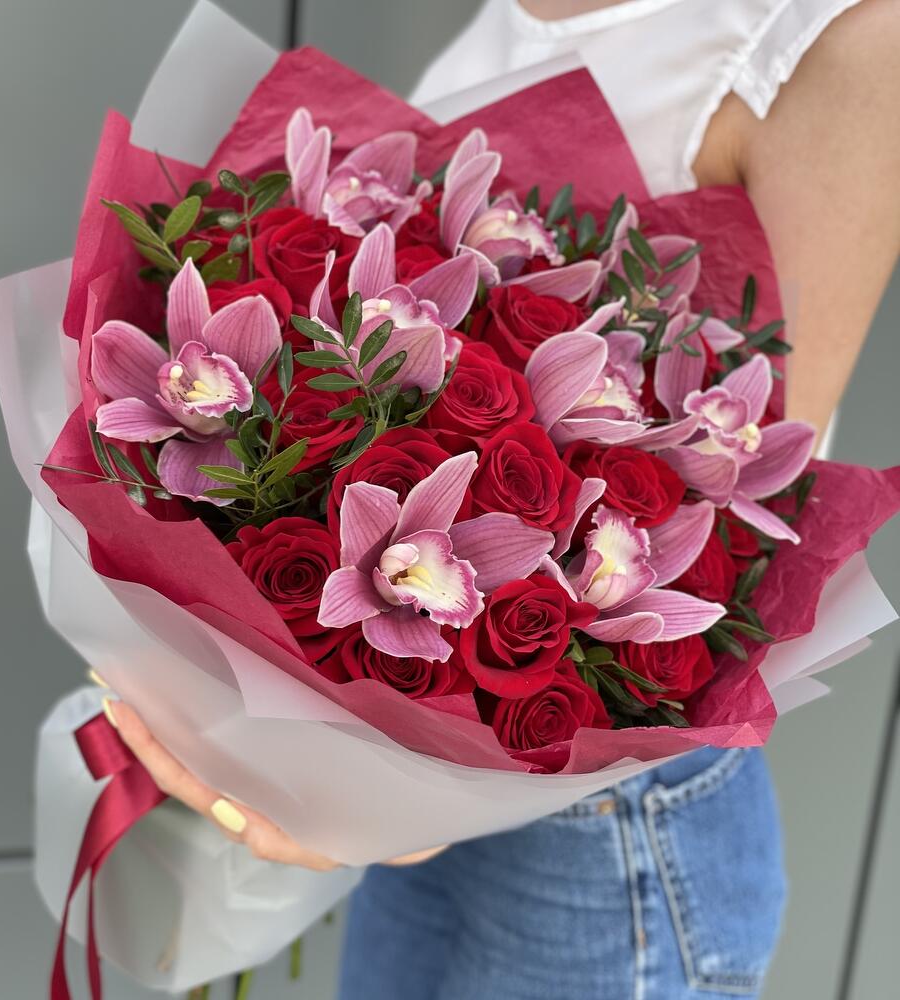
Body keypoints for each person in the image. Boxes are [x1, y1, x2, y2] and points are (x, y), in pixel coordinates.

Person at [103, 1, 900, 996]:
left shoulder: (854, 41)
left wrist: (399, 798)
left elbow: (748, 512)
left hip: (605, 851)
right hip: (427, 810)